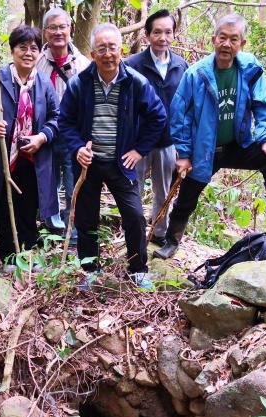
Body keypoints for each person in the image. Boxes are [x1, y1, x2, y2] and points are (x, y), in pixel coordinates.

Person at [154, 13, 266, 260]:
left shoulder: (250, 69)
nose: (227, 44)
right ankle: (171, 241)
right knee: (186, 197)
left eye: (234, 39)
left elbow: (264, 104)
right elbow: (180, 116)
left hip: (237, 144)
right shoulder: (196, 74)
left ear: (242, 44)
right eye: (223, 38)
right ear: (213, 40)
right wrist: (185, 154)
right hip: (204, 150)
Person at [58, 23, 167, 290]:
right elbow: (65, 122)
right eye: (102, 48)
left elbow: (158, 117)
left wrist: (140, 150)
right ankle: (89, 270)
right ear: (93, 53)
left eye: (113, 48)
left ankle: (138, 269)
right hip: (88, 163)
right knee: (86, 217)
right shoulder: (79, 83)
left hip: (121, 163)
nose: (108, 54)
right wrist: (77, 148)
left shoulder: (135, 83)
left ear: (122, 50)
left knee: (133, 215)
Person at [0, 25, 59, 270]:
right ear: (12, 51)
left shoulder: (42, 82)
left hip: (32, 156)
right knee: (2, 203)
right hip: (2, 156)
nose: (28, 53)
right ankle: (9, 256)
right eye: (23, 47)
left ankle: (29, 253)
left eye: (33, 48)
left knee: (29, 204)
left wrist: (42, 137)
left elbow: (56, 117)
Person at [125, 9, 188, 246]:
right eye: (157, 32)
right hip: (138, 144)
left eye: (168, 32)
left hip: (167, 142)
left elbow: (186, 107)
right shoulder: (132, 65)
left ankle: (159, 233)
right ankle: (134, 233)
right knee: (134, 189)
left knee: (163, 191)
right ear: (147, 35)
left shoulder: (181, 66)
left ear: (174, 34)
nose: (163, 37)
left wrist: (184, 145)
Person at [35, 7, 91, 237]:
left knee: (73, 181)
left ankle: (74, 232)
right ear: (45, 32)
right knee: (48, 180)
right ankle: (49, 226)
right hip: (45, 132)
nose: (58, 32)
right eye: (52, 27)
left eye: (62, 27)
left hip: (72, 134)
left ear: (70, 29)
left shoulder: (84, 64)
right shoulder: (36, 61)